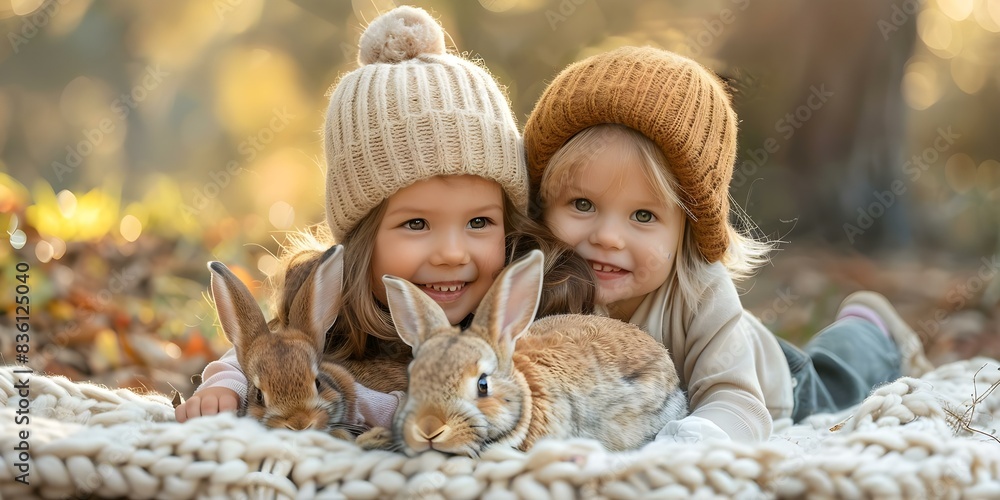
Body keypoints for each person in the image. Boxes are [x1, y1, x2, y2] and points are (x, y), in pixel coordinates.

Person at [175, 6, 594, 427]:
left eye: (479, 223)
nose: (452, 253)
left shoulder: (536, 306)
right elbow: (262, 352)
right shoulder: (333, 319)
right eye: (416, 224)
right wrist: (223, 386)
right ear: (361, 241)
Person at [522, 46, 933, 441]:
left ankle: (870, 327)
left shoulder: (699, 292)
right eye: (582, 204)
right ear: (543, 204)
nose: (608, 238)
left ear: (688, 230)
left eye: (643, 215)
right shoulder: (533, 283)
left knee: (839, 377)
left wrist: (692, 445)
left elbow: (738, 404)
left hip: (778, 379)